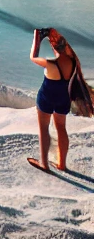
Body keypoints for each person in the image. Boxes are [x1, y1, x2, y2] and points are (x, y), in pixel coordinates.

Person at [28, 28, 91, 172]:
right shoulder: (73, 63)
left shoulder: (51, 64)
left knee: (44, 129)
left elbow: (32, 57)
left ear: (54, 48)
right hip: (63, 99)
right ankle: (62, 164)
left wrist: (36, 39)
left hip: (46, 98)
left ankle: (44, 164)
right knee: (61, 128)